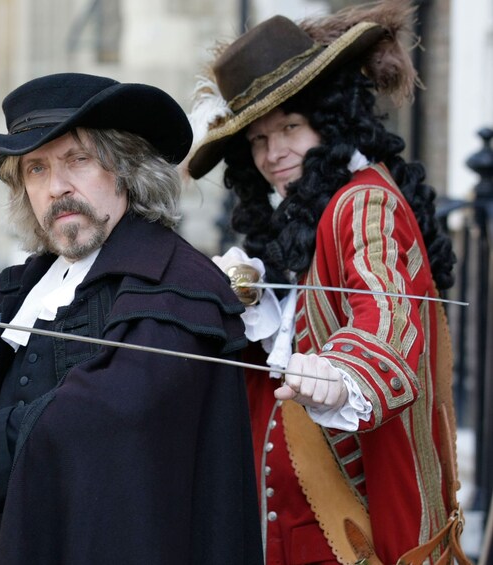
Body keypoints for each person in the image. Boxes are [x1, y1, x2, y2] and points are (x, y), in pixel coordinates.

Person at [0, 72, 263, 564]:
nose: (56, 187)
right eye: (36, 169)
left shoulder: (178, 284)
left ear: (125, 169)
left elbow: (111, 414)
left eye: (78, 160)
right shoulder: (35, 282)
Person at [186, 3, 462, 564]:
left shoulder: (363, 202)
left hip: (362, 531)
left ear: (330, 121)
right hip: (298, 531)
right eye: (259, 141)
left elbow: (386, 317)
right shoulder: (307, 215)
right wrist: (255, 303)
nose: (274, 153)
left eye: (290, 126)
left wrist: (340, 374)